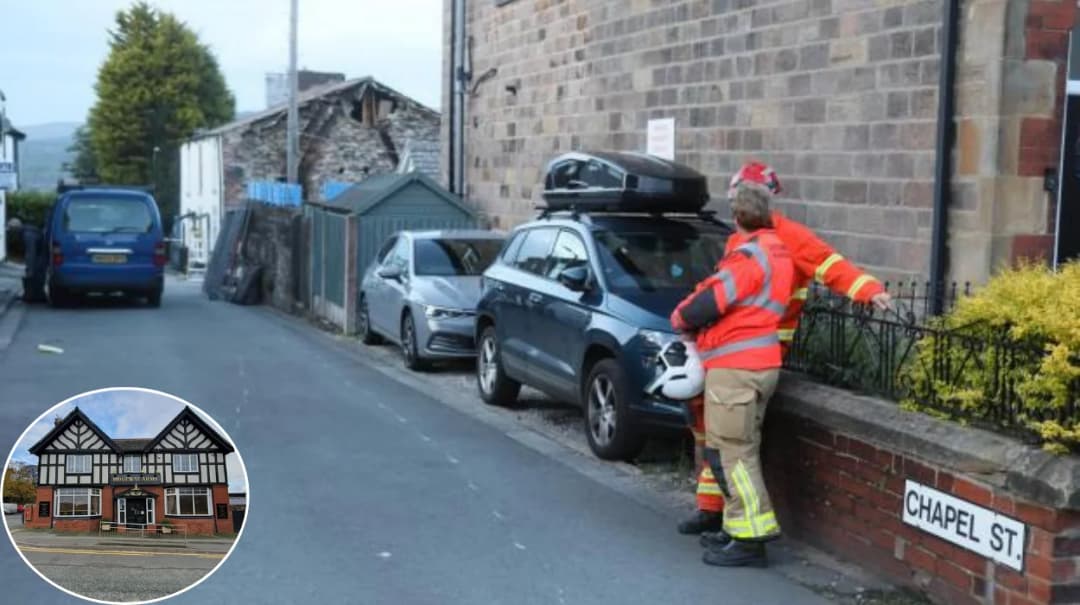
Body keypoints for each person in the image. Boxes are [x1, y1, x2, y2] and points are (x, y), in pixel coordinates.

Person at [676, 162, 894, 539]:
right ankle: (713, 508)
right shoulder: (743, 239)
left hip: (748, 355)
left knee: (732, 442)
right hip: (732, 352)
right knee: (714, 434)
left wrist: (869, 290)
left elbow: (831, 265)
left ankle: (742, 528)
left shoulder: (783, 239)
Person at [670, 183, 794, 567]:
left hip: (735, 368)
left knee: (733, 454)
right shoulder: (778, 252)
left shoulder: (749, 256)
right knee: (736, 449)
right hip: (759, 364)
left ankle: (750, 538)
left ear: (737, 216)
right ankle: (735, 526)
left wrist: (681, 318)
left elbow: (710, 300)